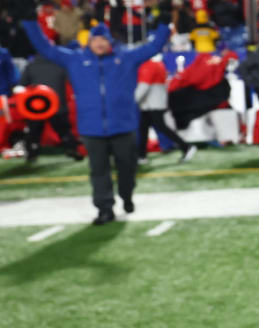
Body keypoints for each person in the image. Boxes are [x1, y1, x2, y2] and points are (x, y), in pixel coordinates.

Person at [21, 21, 172, 225]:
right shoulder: (75, 60)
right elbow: (45, 48)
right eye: (95, 40)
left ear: (110, 42)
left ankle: (126, 195)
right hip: (92, 127)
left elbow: (153, 47)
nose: (99, 43)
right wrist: (30, 22)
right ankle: (105, 208)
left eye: (103, 39)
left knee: (127, 167)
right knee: (98, 171)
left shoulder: (126, 57)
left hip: (123, 125)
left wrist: (163, 23)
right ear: (89, 42)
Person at [16, 52, 79, 164]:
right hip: (57, 105)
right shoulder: (60, 64)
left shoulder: (32, 65)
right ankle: (72, 148)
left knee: (34, 132)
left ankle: (32, 152)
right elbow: (73, 81)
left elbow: (21, 87)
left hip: (36, 106)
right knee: (64, 131)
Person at [135, 55, 198, 164]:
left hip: (152, 103)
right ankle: (142, 156)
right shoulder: (157, 64)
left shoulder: (148, 65)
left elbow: (144, 86)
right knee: (144, 129)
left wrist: (132, 101)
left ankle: (186, 147)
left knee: (161, 127)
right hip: (153, 102)